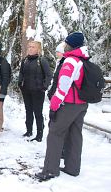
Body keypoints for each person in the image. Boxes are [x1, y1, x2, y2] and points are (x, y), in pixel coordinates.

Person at [35, 32, 89, 181]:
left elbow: (63, 87)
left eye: (66, 43)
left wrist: (54, 106)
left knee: (55, 133)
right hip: (81, 104)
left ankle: (50, 170)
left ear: (70, 45)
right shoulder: (83, 59)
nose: (64, 46)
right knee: (75, 134)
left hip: (69, 104)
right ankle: (73, 168)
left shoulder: (71, 61)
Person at [18, 41, 52, 142]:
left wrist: (44, 87)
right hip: (26, 90)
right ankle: (29, 131)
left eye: (33, 47)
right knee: (28, 111)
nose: (30, 49)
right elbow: (21, 73)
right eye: (29, 47)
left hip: (38, 92)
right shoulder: (25, 60)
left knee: (37, 112)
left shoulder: (42, 60)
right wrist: (20, 83)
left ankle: (39, 134)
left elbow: (49, 75)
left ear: (38, 49)